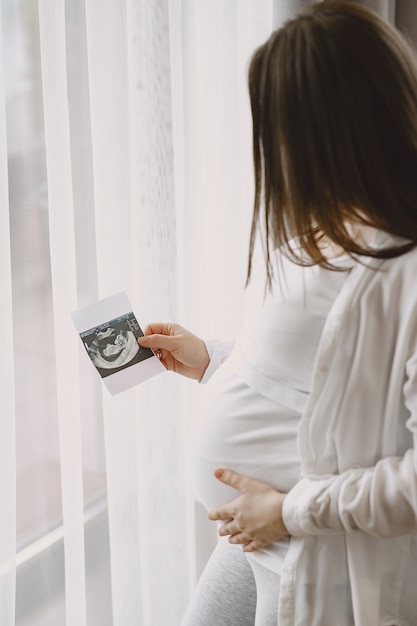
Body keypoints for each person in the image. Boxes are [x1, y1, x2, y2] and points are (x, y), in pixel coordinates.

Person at [139, 2, 417, 624]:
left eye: (280, 128)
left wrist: (288, 511)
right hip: (256, 534)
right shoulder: (329, 223)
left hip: (313, 546)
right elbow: (319, 379)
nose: (276, 151)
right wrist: (213, 359)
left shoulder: (407, 265)